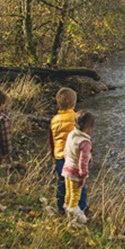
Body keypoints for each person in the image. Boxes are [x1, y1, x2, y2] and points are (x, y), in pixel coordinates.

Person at [48, 87, 77, 215]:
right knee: (77, 183)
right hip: (73, 156)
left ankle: (61, 207)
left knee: (61, 182)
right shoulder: (77, 118)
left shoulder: (54, 120)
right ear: (73, 104)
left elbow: (51, 140)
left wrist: (53, 155)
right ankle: (80, 208)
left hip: (59, 155)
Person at [62, 110, 94, 223]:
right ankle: (75, 220)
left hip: (66, 169)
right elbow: (83, 161)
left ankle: (67, 215)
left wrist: (67, 162)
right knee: (75, 197)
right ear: (89, 126)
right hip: (75, 173)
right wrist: (83, 175)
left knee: (68, 194)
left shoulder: (71, 134)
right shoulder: (85, 142)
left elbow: (65, 151)